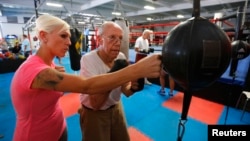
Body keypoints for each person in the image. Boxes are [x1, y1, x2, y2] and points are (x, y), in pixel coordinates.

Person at [10, 14, 161, 141]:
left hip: (59, 130)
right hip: (36, 136)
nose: (70, 42)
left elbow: (125, 91)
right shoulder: (36, 71)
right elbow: (87, 87)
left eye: (69, 37)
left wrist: (134, 88)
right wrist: (137, 69)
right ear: (43, 36)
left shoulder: (50, 67)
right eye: (63, 36)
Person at [79, 21, 144, 141]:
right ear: (99, 39)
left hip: (116, 109)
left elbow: (126, 90)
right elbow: (96, 104)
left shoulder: (121, 57)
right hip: (94, 114)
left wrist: (134, 88)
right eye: (112, 37)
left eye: (120, 38)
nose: (118, 43)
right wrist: (113, 73)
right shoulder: (88, 60)